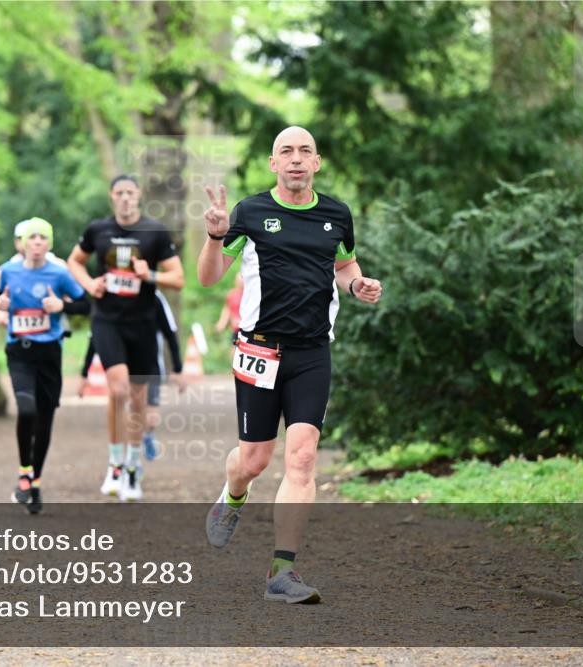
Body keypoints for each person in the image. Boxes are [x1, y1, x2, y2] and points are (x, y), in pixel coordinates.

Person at [197, 126, 383, 603]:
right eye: (286, 151)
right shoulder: (251, 212)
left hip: (311, 351)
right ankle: (233, 492)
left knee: (301, 456)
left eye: (305, 151)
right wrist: (216, 236)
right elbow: (209, 277)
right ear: (273, 163)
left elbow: (345, 266)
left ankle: (282, 572)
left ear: (317, 162)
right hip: (259, 349)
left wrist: (358, 285)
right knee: (253, 460)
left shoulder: (336, 214)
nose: (296, 159)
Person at [68, 175, 184, 502]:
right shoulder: (97, 230)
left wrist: (151, 275)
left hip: (143, 324)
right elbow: (73, 262)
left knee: (137, 398)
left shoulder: (155, 232)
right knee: (116, 389)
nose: (124, 198)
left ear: (139, 196)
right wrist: (90, 286)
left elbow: (178, 278)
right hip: (108, 320)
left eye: (130, 193)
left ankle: (133, 466)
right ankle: (115, 463)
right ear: (111, 197)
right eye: (119, 193)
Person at [0, 218, 90, 514]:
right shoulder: (8, 271)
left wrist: (63, 307)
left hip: (50, 354)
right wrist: (0, 305)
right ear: (22, 243)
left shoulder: (59, 273)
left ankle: (34, 481)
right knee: (26, 410)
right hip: (20, 352)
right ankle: (25, 472)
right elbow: (0, 300)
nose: (36, 243)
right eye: (31, 238)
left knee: (45, 422)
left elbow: (87, 303)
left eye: (42, 238)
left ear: (49, 244)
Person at [78, 288, 183, 462]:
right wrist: (84, 373)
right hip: (121, 365)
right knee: (123, 406)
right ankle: (128, 456)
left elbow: (170, 333)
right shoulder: (110, 299)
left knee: (149, 419)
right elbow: (95, 338)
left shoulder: (155, 298)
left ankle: (144, 438)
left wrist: (178, 369)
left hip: (150, 365)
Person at [0, 219, 69, 329]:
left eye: (32, 237)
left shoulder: (58, 266)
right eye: (19, 238)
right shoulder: (6, 269)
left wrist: (60, 306)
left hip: (54, 325)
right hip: (20, 332)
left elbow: (69, 297)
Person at [215, 272, 244, 343]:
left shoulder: (249, 295)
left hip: (246, 330)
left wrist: (240, 320)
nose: (240, 282)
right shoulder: (232, 294)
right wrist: (222, 322)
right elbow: (227, 309)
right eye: (238, 280)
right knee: (233, 350)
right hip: (235, 330)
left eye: (241, 279)